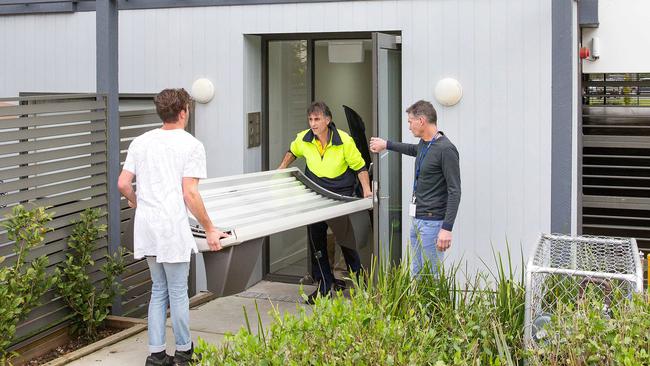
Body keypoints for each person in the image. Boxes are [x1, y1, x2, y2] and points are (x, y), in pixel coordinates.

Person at [118, 88, 229, 366]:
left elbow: (122, 183)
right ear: (183, 112)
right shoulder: (191, 145)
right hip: (171, 227)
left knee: (159, 289)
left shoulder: (141, 141)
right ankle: (183, 353)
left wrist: (135, 201)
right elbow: (190, 193)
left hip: (147, 226)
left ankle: (156, 355)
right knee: (178, 291)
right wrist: (211, 228)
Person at [278, 101, 372, 303]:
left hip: (340, 195)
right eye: (311, 119)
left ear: (327, 120)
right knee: (316, 243)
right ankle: (324, 286)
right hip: (315, 196)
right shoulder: (304, 138)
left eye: (317, 119)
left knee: (347, 242)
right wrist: (281, 169)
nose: (313, 123)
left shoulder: (344, 140)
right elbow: (292, 151)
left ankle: (360, 287)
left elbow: (360, 167)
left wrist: (367, 191)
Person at [369, 100, 460, 277]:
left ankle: (435, 306)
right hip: (418, 219)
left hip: (433, 223)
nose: (409, 126)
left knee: (432, 277)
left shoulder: (446, 149)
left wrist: (447, 228)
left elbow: (455, 191)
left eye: (410, 121)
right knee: (417, 274)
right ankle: (418, 306)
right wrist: (386, 144)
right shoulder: (426, 144)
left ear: (422, 121)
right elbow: (412, 149)